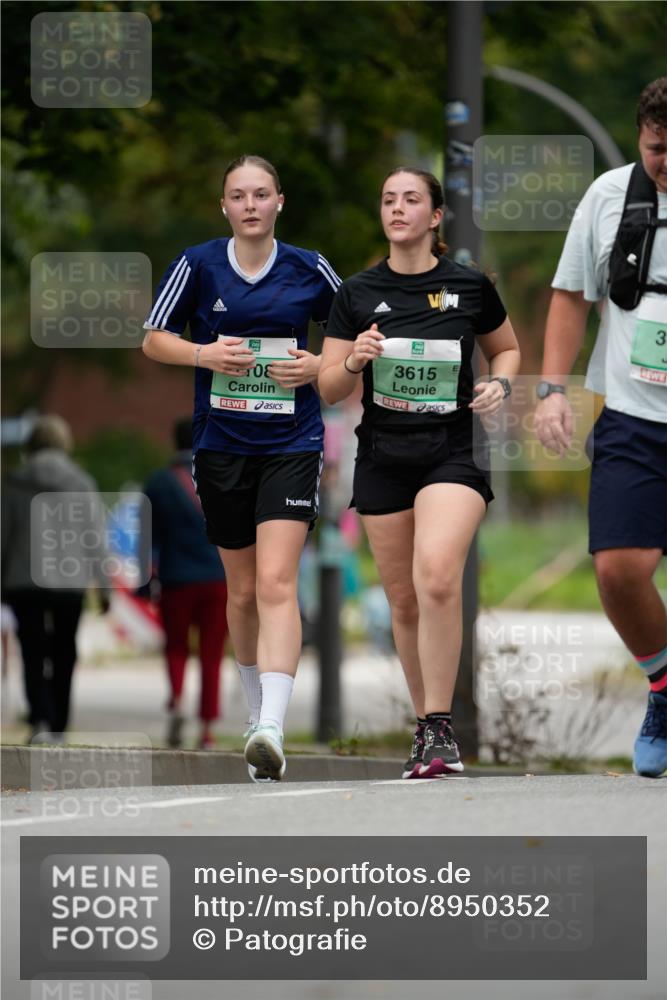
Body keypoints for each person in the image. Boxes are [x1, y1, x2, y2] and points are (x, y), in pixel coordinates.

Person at [142, 155, 340, 780]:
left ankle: (272, 726)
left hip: (293, 443)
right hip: (221, 446)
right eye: (238, 195)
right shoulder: (198, 265)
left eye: (261, 194)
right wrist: (204, 354)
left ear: (280, 201)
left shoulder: (310, 268)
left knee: (278, 582)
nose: (250, 205)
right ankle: (257, 716)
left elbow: (355, 337)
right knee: (245, 590)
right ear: (224, 206)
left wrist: (318, 366)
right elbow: (153, 338)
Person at [319, 167, 520, 778]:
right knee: (403, 602)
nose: (397, 208)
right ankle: (425, 728)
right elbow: (328, 388)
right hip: (384, 456)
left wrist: (501, 383)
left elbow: (506, 348)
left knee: (434, 576)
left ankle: (440, 725)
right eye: (388, 199)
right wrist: (353, 360)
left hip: (453, 450)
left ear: (434, 217)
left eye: (411, 199)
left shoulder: (468, 285)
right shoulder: (355, 293)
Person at [535, 77, 667, 778]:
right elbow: (568, 296)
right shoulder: (610, 197)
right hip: (631, 417)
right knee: (618, 571)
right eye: (656, 149)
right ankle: (664, 685)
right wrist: (552, 390)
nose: (665, 164)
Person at [1, 415, 110, 741]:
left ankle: (39, 719)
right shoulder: (82, 483)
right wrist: (104, 588)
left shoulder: (13, 484)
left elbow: (3, 536)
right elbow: (95, 539)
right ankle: (59, 723)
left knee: (32, 650)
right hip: (69, 581)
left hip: (23, 580)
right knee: (65, 651)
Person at [144, 418, 229, 750]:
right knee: (212, 654)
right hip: (218, 578)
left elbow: (147, 537)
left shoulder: (159, 482)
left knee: (176, 647)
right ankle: (206, 730)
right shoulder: (222, 475)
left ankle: (178, 701)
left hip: (175, 578)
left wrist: (146, 578)